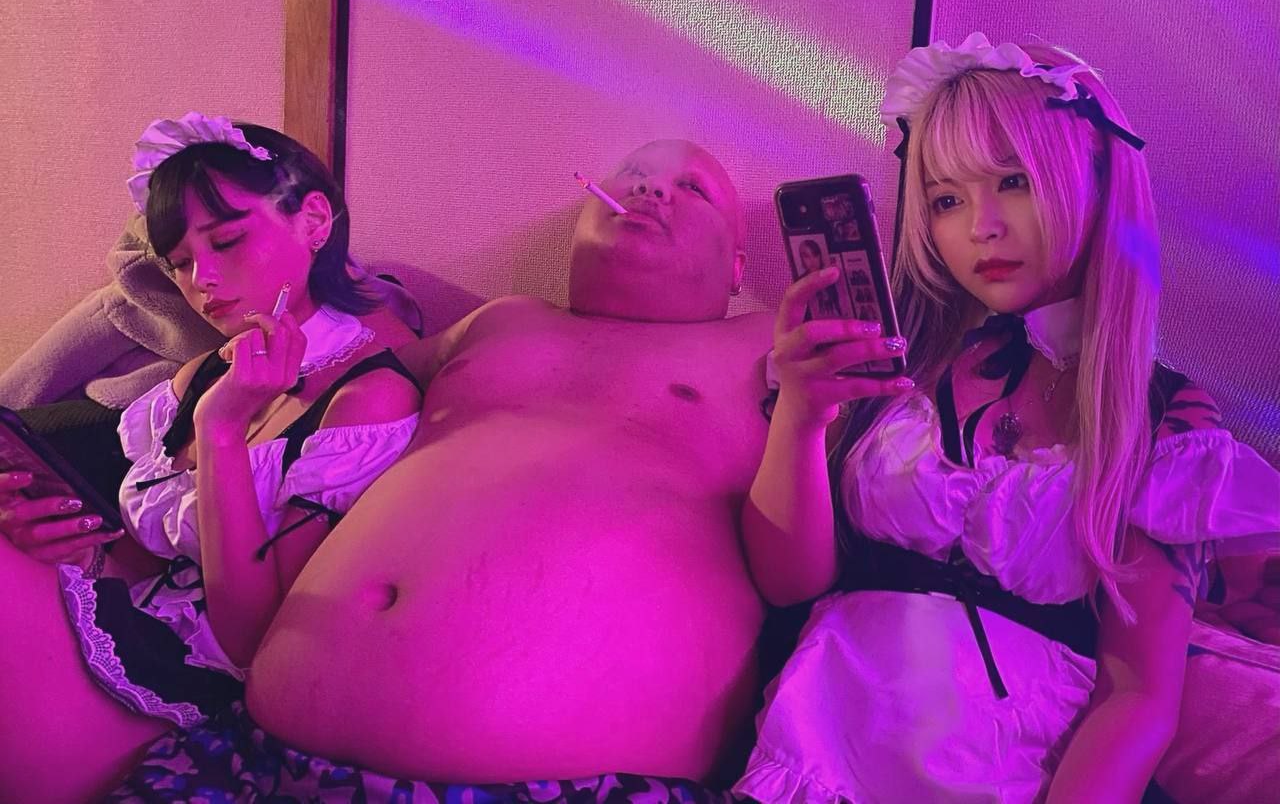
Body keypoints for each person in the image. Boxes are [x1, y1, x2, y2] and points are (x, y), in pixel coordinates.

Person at [107, 139, 910, 803]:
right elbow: (325, 388)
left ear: (736, 265)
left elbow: (796, 583)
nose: (653, 190)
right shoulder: (496, 323)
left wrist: (805, 414)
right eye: (632, 176)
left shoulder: (769, 349)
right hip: (270, 760)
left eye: (691, 188)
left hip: (563, 785)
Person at [736, 35, 1280, 802]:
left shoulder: (1164, 422)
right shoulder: (900, 360)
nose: (980, 227)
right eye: (946, 199)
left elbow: (1138, 699)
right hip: (809, 762)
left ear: (1098, 179)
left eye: (1014, 181)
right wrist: (799, 415)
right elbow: (790, 584)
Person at [0, 114, 423, 804]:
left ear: (314, 220)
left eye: (228, 241)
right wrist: (73, 550)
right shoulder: (199, 374)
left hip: (205, 684)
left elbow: (254, 642)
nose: (204, 280)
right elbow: (147, 560)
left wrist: (221, 433)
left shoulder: (365, 402)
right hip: (131, 626)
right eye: (179, 262)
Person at [796, 238, 841, 318]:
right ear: (801, 259)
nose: (812, 260)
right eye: (807, 256)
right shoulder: (800, 282)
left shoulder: (830, 276)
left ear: (820, 256)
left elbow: (838, 303)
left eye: (815, 255)